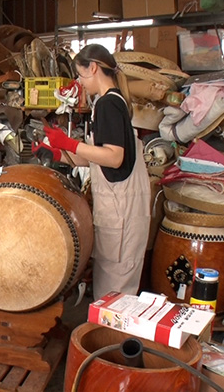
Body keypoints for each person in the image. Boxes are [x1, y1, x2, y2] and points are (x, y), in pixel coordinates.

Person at [43, 44, 151, 301]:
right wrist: (57, 154)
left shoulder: (109, 104)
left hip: (122, 214)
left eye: (80, 75)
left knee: (114, 297)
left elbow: (114, 158)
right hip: (116, 211)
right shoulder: (106, 103)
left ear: (93, 68)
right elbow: (96, 158)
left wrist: (68, 143)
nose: (80, 82)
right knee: (108, 292)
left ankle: (113, 341)